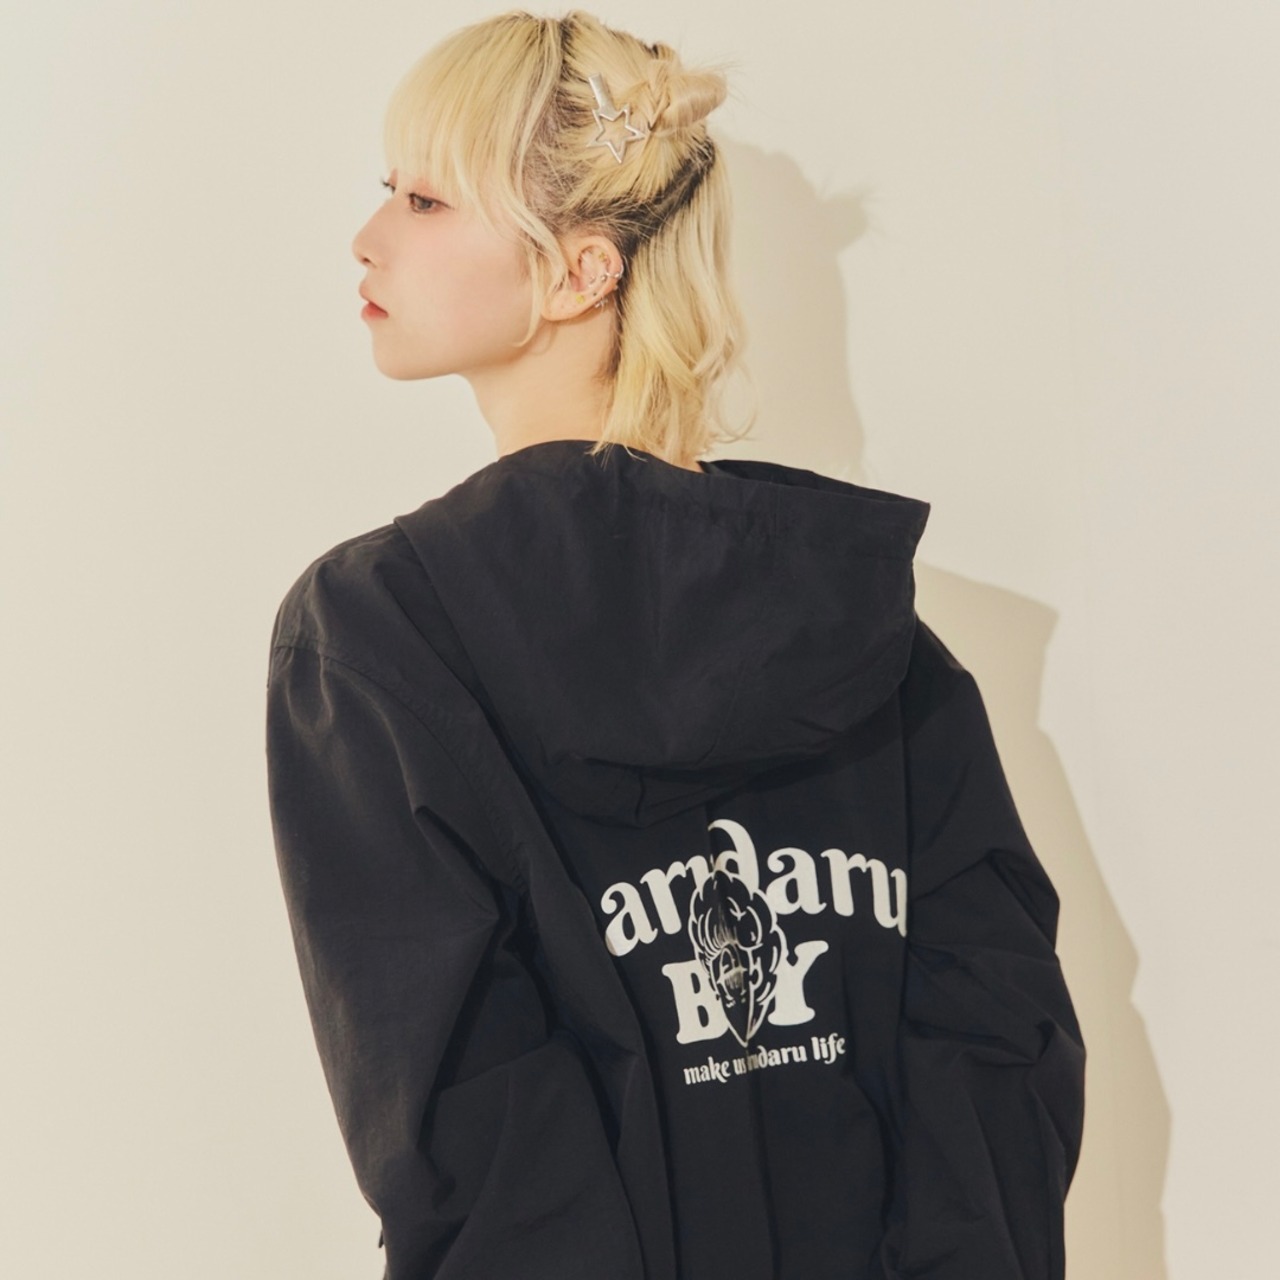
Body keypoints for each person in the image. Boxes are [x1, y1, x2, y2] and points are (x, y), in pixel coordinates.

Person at [264, 9, 1086, 1279]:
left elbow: (462, 1117)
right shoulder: (866, 624)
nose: (368, 235)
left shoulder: (374, 635)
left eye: (424, 200)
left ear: (579, 272)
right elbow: (995, 1055)